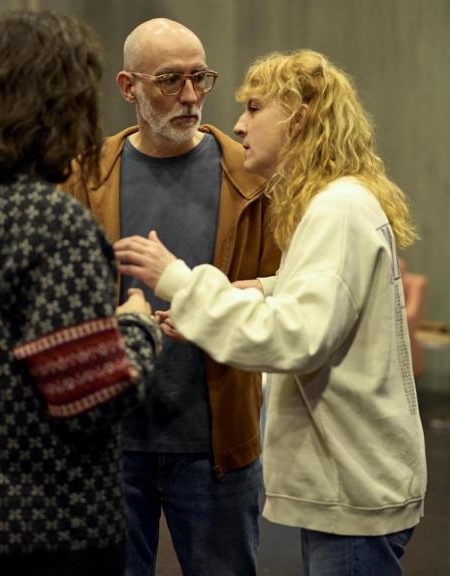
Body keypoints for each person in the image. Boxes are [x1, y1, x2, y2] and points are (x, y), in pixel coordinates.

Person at [114, 50, 427, 575]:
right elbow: (319, 294)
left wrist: (177, 281)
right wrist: (253, 291)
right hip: (354, 486)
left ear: (299, 118)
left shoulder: (337, 210)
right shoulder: (342, 201)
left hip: (351, 492)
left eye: (256, 108)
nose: (238, 123)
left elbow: (296, 337)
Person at [0, 10, 161, 576]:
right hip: (52, 532)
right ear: (63, 101)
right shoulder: (54, 222)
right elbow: (90, 398)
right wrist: (136, 322)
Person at [61, 18, 280, 576]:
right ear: (128, 87)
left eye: (199, 78)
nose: (190, 96)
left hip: (217, 446)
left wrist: (220, 307)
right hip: (110, 444)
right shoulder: (86, 177)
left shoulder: (250, 178)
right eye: (168, 80)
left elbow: (283, 299)